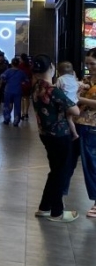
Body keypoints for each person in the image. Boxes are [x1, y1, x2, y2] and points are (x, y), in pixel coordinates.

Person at [31, 54, 79, 222]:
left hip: (45, 134)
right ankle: (57, 212)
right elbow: (75, 111)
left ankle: (45, 207)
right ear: (51, 67)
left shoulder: (36, 88)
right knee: (60, 173)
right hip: (60, 135)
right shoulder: (53, 90)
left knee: (55, 171)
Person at [72, 49, 96, 219]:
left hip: (92, 127)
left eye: (92, 64)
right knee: (73, 163)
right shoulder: (86, 80)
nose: (89, 67)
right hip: (79, 124)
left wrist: (79, 99)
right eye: (87, 63)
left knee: (92, 165)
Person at [56, 61, 81, 141]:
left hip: (67, 103)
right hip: (75, 102)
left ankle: (75, 134)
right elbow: (79, 86)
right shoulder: (73, 79)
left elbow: (56, 89)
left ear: (59, 72)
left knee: (68, 118)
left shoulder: (60, 79)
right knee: (71, 118)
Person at [0, 57, 27, 126]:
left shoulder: (8, 71)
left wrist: (4, 82)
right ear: (18, 64)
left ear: (12, 63)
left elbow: (2, 77)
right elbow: (26, 80)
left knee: (7, 105)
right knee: (17, 106)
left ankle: (7, 119)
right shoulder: (21, 72)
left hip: (8, 90)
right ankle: (16, 121)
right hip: (17, 90)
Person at [20, 54, 33, 121]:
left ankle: (22, 113)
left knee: (22, 99)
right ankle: (26, 112)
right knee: (27, 98)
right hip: (28, 84)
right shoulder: (29, 66)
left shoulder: (20, 66)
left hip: (22, 84)